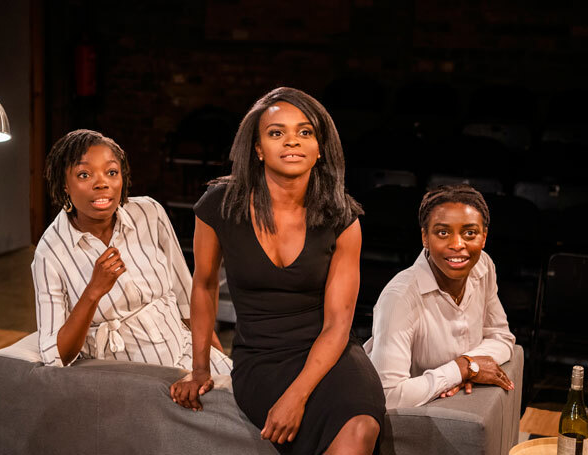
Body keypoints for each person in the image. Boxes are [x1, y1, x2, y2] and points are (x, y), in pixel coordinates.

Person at [169, 88, 385, 454]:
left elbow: (337, 325)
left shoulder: (343, 218)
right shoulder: (219, 205)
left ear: (320, 149)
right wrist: (200, 368)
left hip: (330, 356)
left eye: (305, 132)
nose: (292, 142)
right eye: (276, 132)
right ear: (257, 148)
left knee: (359, 428)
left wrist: (296, 397)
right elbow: (204, 286)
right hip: (261, 359)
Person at [32, 129, 231, 374]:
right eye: (84, 174)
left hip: (186, 354)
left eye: (111, 172)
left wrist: (216, 358)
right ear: (64, 185)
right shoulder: (50, 252)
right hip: (127, 378)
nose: (102, 183)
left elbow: (184, 297)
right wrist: (93, 292)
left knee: (240, 396)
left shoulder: (149, 213)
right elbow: (55, 356)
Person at [364, 184, 516, 408]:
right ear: (425, 237)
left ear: (484, 238)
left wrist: (467, 366)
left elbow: (501, 337)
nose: (457, 245)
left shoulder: (483, 265)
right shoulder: (399, 297)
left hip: (448, 404)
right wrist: (461, 369)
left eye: (470, 233)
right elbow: (388, 396)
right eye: (443, 233)